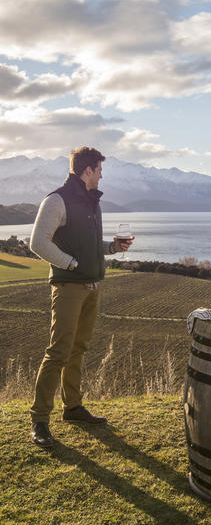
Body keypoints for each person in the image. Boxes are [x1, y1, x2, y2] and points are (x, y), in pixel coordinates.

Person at [29, 147, 133, 447]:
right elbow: (37, 242)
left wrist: (111, 248)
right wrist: (71, 264)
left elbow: (86, 244)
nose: (102, 175)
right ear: (87, 171)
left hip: (92, 287)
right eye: (99, 170)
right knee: (58, 352)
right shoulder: (56, 200)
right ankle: (39, 419)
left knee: (79, 348)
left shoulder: (90, 201)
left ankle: (72, 407)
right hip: (69, 288)